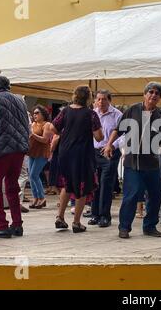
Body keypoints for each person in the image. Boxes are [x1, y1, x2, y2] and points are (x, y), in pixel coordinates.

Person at [104, 82, 161, 239]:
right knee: (131, 195)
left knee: (156, 196)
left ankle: (149, 226)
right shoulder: (133, 110)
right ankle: (124, 227)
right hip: (133, 163)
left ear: (160, 98)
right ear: (144, 94)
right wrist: (108, 145)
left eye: (157, 93)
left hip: (152, 164)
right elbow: (118, 130)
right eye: (151, 92)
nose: (153, 95)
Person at [0, 75, 30, 238]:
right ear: (9, 87)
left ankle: (2, 225)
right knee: (12, 186)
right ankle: (17, 224)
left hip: (0, 149)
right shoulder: (21, 102)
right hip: (19, 149)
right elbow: (27, 127)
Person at [51, 86, 104, 233]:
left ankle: (60, 217)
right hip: (82, 153)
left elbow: (53, 128)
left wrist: (67, 131)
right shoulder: (91, 114)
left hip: (65, 151)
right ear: (89, 98)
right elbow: (99, 137)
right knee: (82, 185)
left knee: (67, 184)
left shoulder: (65, 111)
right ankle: (76, 222)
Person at [88, 90, 122, 228]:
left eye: (104, 99)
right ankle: (95, 214)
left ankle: (104, 216)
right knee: (95, 184)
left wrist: (111, 146)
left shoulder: (117, 115)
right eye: (99, 99)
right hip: (94, 152)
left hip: (110, 152)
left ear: (109, 100)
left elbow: (123, 135)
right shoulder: (92, 114)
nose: (101, 102)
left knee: (106, 183)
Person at [28, 105, 52, 209]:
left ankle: (42, 198)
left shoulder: (47, 124)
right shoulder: (33, 124)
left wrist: (32, 134)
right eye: (34, 113)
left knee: (34, 174)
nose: (35, 115)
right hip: (32, 152)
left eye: (37, 113)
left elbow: (45, 140)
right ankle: (36, 198)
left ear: (43, 114)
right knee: (31, 175)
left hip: (42, 153)